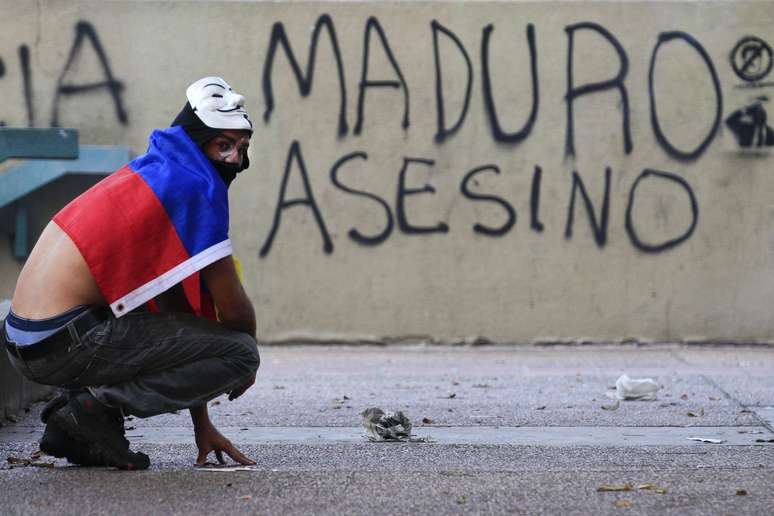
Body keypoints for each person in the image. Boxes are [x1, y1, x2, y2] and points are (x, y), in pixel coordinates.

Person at [1, 77, 260, 470]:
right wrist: (240, 367)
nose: (235, 161)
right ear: (196, 141)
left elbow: (177, 322)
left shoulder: (154, 173)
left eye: (242, 148)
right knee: (241, 352)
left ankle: (83, 420)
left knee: (185, 332)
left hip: (29, 340)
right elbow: (236, 314)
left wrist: (201, 423)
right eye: (223, 145)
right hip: (62, 341)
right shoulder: (194, 188)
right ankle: (92, 409)